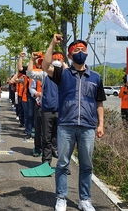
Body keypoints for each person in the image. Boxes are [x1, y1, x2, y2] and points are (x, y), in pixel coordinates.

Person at [42, 34, 106, 211]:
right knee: (62, 163)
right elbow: (45, 65)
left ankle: (84, 200)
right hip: (66, 125)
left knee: (87, 165)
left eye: (83, 50)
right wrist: (53, 43)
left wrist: (101, 124)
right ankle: (61, 197)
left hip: (87, 127)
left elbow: (99, 102)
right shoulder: (63, 74)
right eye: (76, 50)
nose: (80, 52)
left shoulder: (95, 77)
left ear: (87, 54)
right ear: (70, 56)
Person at [27, 51, 65, 164]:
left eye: (60, 59)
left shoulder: (67, 75)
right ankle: (46, 161)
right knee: (46, 137)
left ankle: (62, 163)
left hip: (61, 111)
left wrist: (65, 67)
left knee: (61, 138)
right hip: (47, 110)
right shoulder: (44, 74)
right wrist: (31, 60)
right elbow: (30, 73)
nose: (57, 61)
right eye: (55, 59)